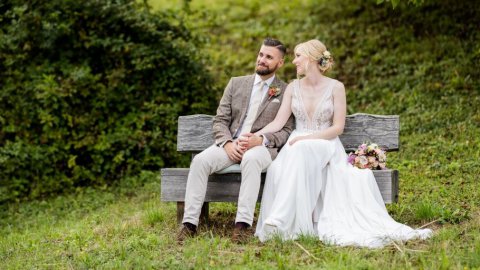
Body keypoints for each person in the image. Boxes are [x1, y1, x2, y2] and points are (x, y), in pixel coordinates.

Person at [253, 39, 432, 248]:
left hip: (325, 142)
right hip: (297, 143)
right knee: (277, 167)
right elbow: (278, 122)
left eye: (298, 56)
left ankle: (280, 218)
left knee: (301, 149)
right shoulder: (293, 87)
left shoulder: (336, 87)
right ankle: (290, 222)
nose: (294, 61)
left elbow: (337, 127)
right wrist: (254, 135)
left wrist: (307, 138)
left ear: (311, 58)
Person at [177, 38, 295, 243]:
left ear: (280, 63)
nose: (262, 60)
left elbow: (286, 130)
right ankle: (189, 224)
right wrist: (228, 143)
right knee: (200, 161)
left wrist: (261, 140)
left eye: (269, 57)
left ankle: (242, 226)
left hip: (261, 148)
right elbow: (220, 120)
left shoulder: (286, 91)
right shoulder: (236, 83)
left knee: (251, 160)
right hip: (231, 144)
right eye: (261, 55)